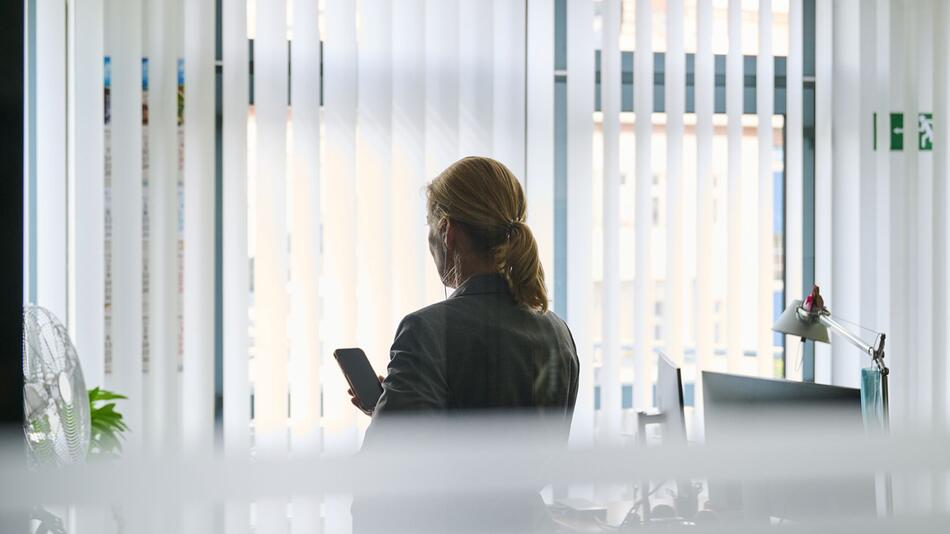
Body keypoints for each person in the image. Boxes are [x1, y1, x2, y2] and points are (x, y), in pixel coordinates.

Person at [350, 156, 580, 533]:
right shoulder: (557, 333)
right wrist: (388, 406)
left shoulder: (426, 330)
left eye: (429, 226)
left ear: (447, 231)